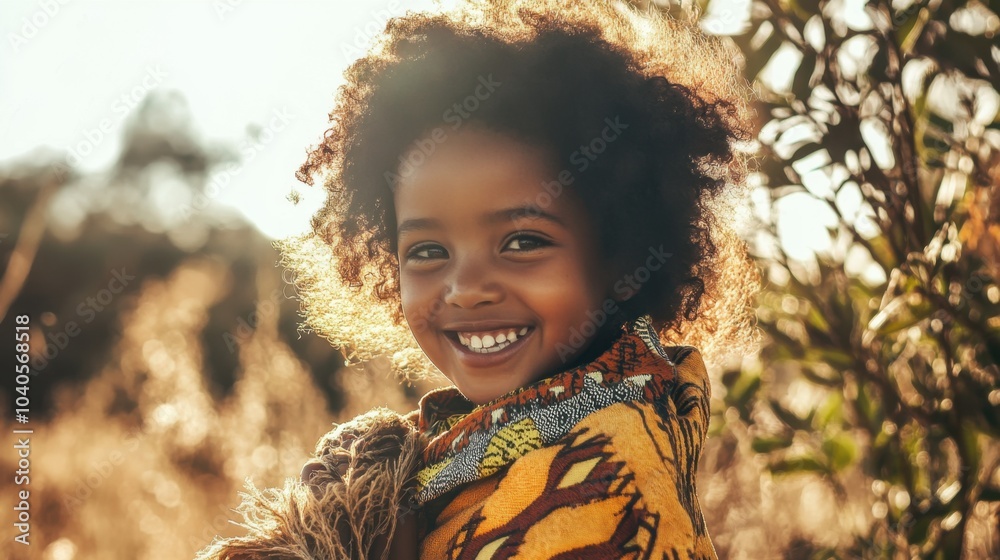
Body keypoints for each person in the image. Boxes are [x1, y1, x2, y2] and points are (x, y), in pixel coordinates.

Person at [194, 0, 758, 558]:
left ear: (621, 256)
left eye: (521, 242)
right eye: (429, 250)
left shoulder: (606, 491)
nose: (464, 288)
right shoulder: (462, 451)